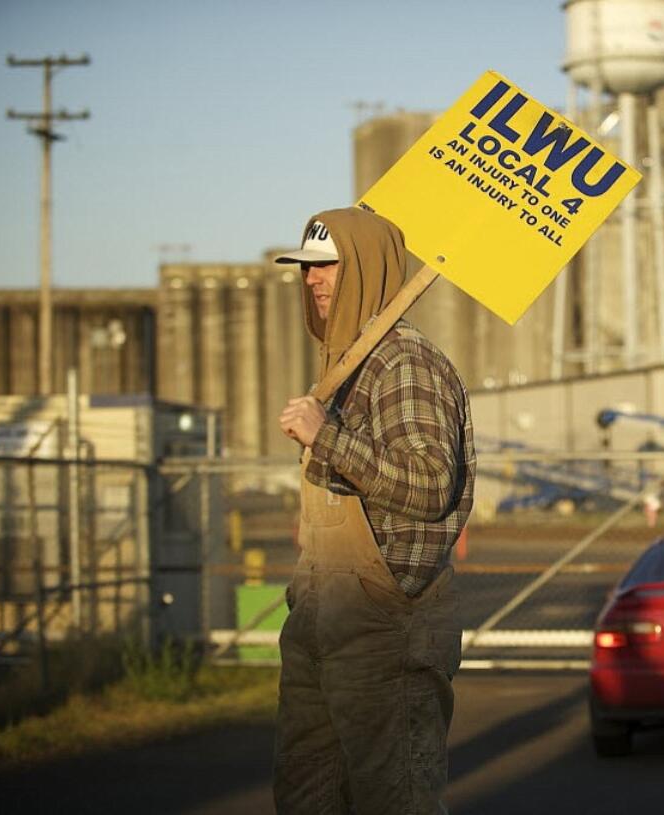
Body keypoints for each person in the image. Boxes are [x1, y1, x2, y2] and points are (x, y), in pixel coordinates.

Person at [272, 207, 475, 815]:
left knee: (396, 802)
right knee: (310, 796)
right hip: (320, 620)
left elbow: (431, 483)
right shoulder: (346, 370)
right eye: (307, 269)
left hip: (386, 628)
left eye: (328, 265)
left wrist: (326, 437)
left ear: (366, 269)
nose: (313, 280)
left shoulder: (403, 363)